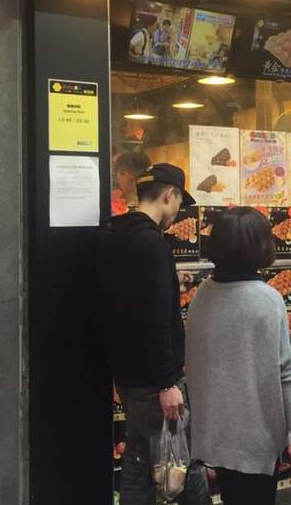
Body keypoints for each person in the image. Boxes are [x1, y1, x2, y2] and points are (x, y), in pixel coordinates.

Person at [185, 207, 291, 504]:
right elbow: (285, 374)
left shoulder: (202, 295)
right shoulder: (267, 299)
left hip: (214, 433)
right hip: (256, 437)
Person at [98, 163, 207, 505]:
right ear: (169, 195)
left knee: (137, 459)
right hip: (154, 380)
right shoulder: (153, 245)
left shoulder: (111, 235)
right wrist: (167, 383)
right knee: (183, 465)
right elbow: (156, 318)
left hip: (126, 374)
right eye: (179, 204)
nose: (176, 213)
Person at [112, 150, 152, 216]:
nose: (129, 178)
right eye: (123, 173)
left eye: (134, 172)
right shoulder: (110, 198)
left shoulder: (154, 199)